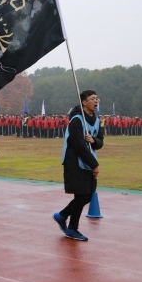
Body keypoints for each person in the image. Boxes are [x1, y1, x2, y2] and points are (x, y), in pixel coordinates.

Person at [53, 90, 104, 242]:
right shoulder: (76, 120)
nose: (96, 101)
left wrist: (94, 140)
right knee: (82, 195)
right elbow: (78, 145)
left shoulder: (96, 120)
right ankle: (72, 228)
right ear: (84, 102)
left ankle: (62, 215)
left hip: (88, 161)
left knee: (87, 195)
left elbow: (100, 142)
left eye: (97, 98)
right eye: (92, 99)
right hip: (75, 162)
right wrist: (94, 165)